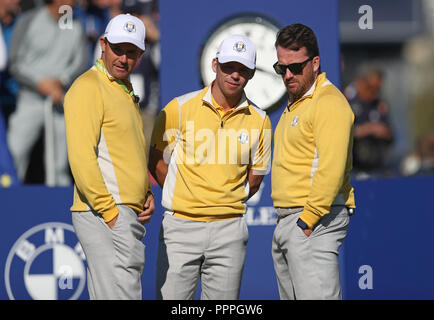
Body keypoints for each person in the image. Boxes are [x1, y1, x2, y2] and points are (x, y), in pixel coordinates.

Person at [149, 34, 272, 300]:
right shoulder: (179, 108)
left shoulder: (260, 121)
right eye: (229, 66)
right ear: (215, 64)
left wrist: (222, 200)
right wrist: (183, 192)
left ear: (251, 74)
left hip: (229, 230)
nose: (234, 75)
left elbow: (255, 179)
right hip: (180, 226)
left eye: (243, 70)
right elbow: (157, 158)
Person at [63, 13, 155, 300]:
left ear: (140, 54)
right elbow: (81, 159)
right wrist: (111, 214)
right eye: (118, 49)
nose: (123, 58)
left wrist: (145, 191)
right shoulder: (88, 87)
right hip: (104, 211)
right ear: (102, 44)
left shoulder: (122, 88)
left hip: (118, 210)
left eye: (131, 52)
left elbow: (126, 150)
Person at [270, 23, 356, 300]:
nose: (287, 75)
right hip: (293, 220)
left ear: (315, 63)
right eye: (281, 68)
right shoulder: (299, 101)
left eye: (295, 67)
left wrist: (306, 221)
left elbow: (331, 169)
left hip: (314, 219)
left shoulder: (329, 102)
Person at [7, 0, 88, 185]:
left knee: (60, 161)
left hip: (61, 100)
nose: (72, 2)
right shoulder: (29, 20)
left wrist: (61, 81)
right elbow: (15, 63)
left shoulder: (74, 24)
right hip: (30, 99)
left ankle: (59, 205)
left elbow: (81, 63)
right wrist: (39, 83)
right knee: (15, 152)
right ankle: (7, 198)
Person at [344, 64, 393, 177]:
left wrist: (383, 131)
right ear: (361, 83)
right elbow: (341, 133)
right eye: (371, 87)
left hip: (377, 165)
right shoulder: (348, 103)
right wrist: (368, 129)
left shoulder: (379, 105)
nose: (374, 91)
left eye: (377, 88)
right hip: (354, 167)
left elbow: (390, 134)